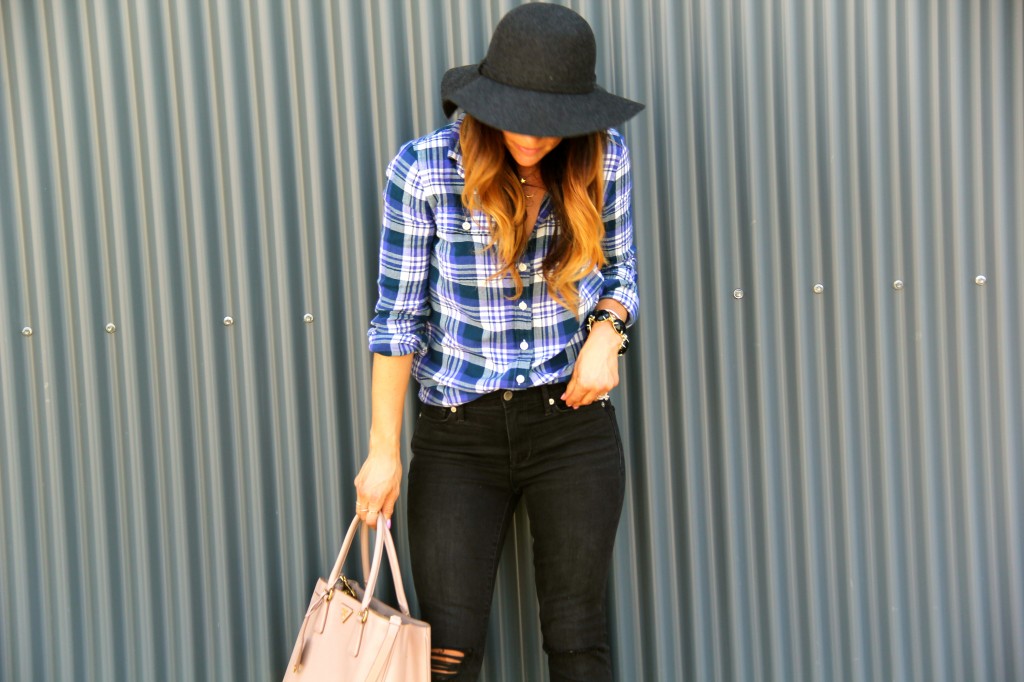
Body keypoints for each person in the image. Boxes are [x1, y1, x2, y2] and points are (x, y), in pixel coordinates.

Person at [355, 4, 643, 680]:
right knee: (448, 654)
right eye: (516, 116)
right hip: (459, 433)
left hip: (570, 425)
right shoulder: (424, 169)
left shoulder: (601, 155)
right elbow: (397, 320)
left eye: (548, 125)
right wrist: (382, 452)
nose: (531, 139)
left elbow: (622, 272)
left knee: (578, 639)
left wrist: (608, 330)